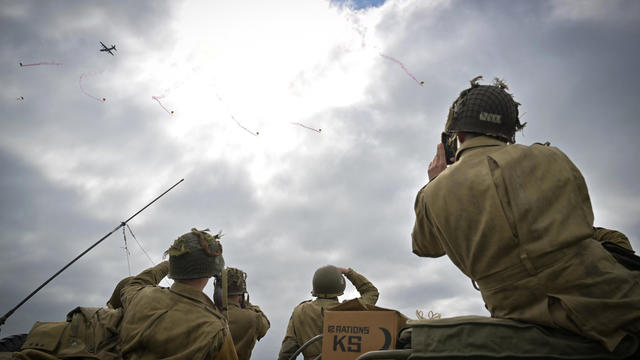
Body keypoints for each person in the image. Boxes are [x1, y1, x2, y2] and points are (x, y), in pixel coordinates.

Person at [411, 76, 640, 352]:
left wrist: (434, 183)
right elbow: (584, 220)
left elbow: (425, 247)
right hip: (614, 302)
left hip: (518, 315)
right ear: (508, 133)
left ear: (456, 136)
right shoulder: (553, 157)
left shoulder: (433, 194)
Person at [119, 228, 238, 359]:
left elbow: (135, 283)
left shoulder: (140, 295)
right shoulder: (215, 330)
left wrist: (174, 263)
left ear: (174, 266)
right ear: (211, 273)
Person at [278, 265, 379, 360]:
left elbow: (287, 350)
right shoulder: (350, 308)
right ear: (340, 285)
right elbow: (371, 292)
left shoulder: (299, 311)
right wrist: (348, 272)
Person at [222, 267, 270, 360]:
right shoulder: (252, 318)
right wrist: (248, 304)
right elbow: (265, 325)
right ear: (241, 295)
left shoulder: (207, 312)